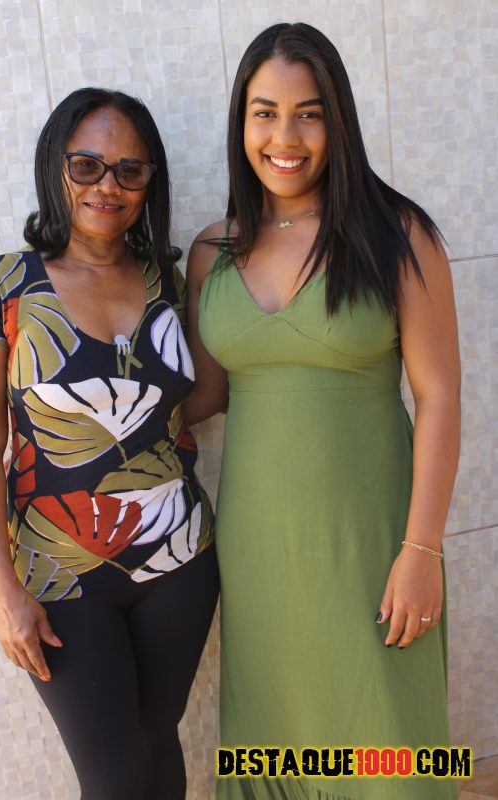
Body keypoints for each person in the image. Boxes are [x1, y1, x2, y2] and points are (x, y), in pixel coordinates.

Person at [184, 22, 460, 800]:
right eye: (264, 113)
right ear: (241, 122)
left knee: (388, 752)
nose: (285, 138)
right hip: (258, 553)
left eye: (308, 114)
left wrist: (421, 550)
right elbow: (205, 396)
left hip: (373, 544)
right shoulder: (212, 252)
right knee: (277, 742)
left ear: (338, 121)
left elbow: (439, 395)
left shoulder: (396, 235)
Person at [0, 88, 218, 800]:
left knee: (156, 741)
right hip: (57, 576)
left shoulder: (169, 282)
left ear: (149, 183)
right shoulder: (2, 285)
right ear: (56, 167)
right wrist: (1, 591)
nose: (108, 185)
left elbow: (198, 398)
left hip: (180, 559)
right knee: (112, 780)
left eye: (129, 170)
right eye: (87, 165)